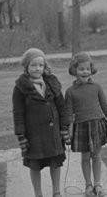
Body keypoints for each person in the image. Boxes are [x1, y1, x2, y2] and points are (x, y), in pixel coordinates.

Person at [12, 48, 71, 197]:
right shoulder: (20, 88)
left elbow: (62, 106)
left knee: (55, 163)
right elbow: (18, 113)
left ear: (45, 66)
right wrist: (21, 134)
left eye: (40, 65)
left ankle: (56, 192)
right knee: (35, 165)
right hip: (34, 135)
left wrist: (65, 125)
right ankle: (38, 194)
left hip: (54, 133)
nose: (37, 68)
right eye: (33, 65)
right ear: (26, 66)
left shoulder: (52, 83)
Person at [65, 52, 107, 197]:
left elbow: (106, 107)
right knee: (85, 157)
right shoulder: (70, 92)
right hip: (81, 127)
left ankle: (97, 184)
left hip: (97, 125)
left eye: (87, 68)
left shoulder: (97, 87)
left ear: (91, 69)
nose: (85, 72)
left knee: (97, 156)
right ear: (74, 70)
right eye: (81, 69)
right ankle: (88, 185)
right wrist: (69, 132)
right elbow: (68, 114)